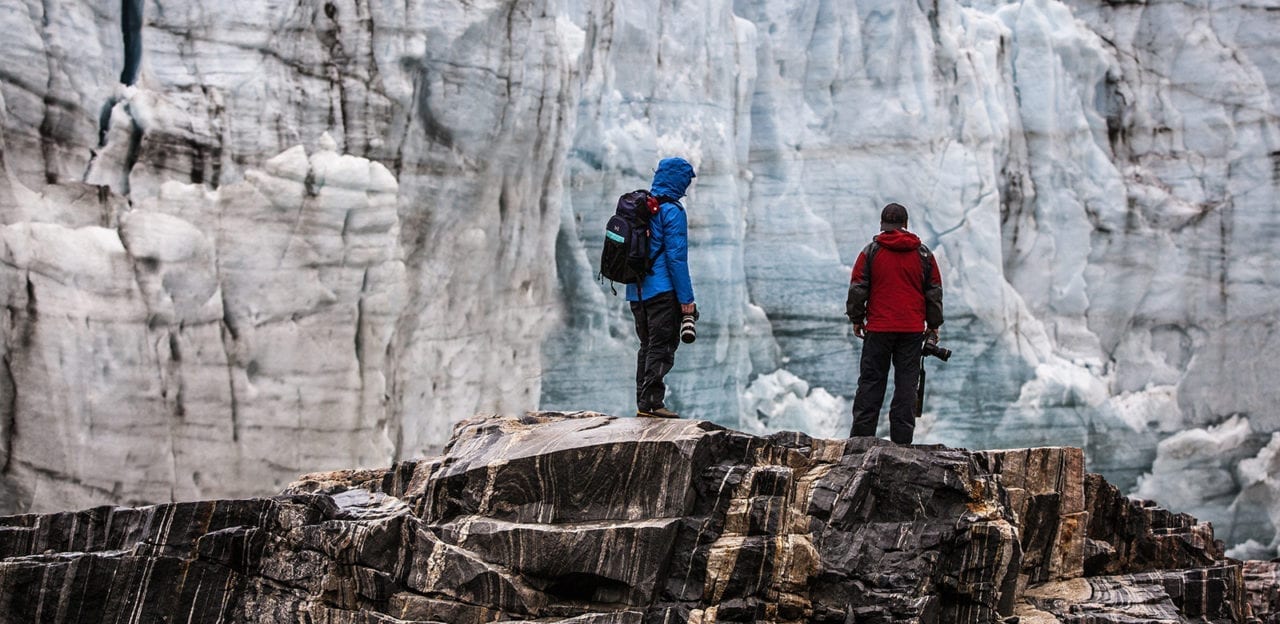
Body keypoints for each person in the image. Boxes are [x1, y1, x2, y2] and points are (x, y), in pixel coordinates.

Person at [845, 203, 943, 444]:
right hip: (910, 331)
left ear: (882, 225)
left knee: (871, 383)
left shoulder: (870, 252)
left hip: (878, 329)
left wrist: (857, 319)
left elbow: (858, 288)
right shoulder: (923, 255)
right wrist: (933, 324)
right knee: (906, 387)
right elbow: (934, 291)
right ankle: (901, 444)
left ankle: (860, 442)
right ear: (906, 225)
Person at [629, 157, 697, 418]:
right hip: (662, 291)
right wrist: (686, 300)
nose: (687, 187)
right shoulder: (671, 211)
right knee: (662, 346)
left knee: (647, 345)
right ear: (678, 179)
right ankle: (652, 404)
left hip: (637, 291)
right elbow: (676, 259)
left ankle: (643, 403)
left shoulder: (643, 206)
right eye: (686, 180)